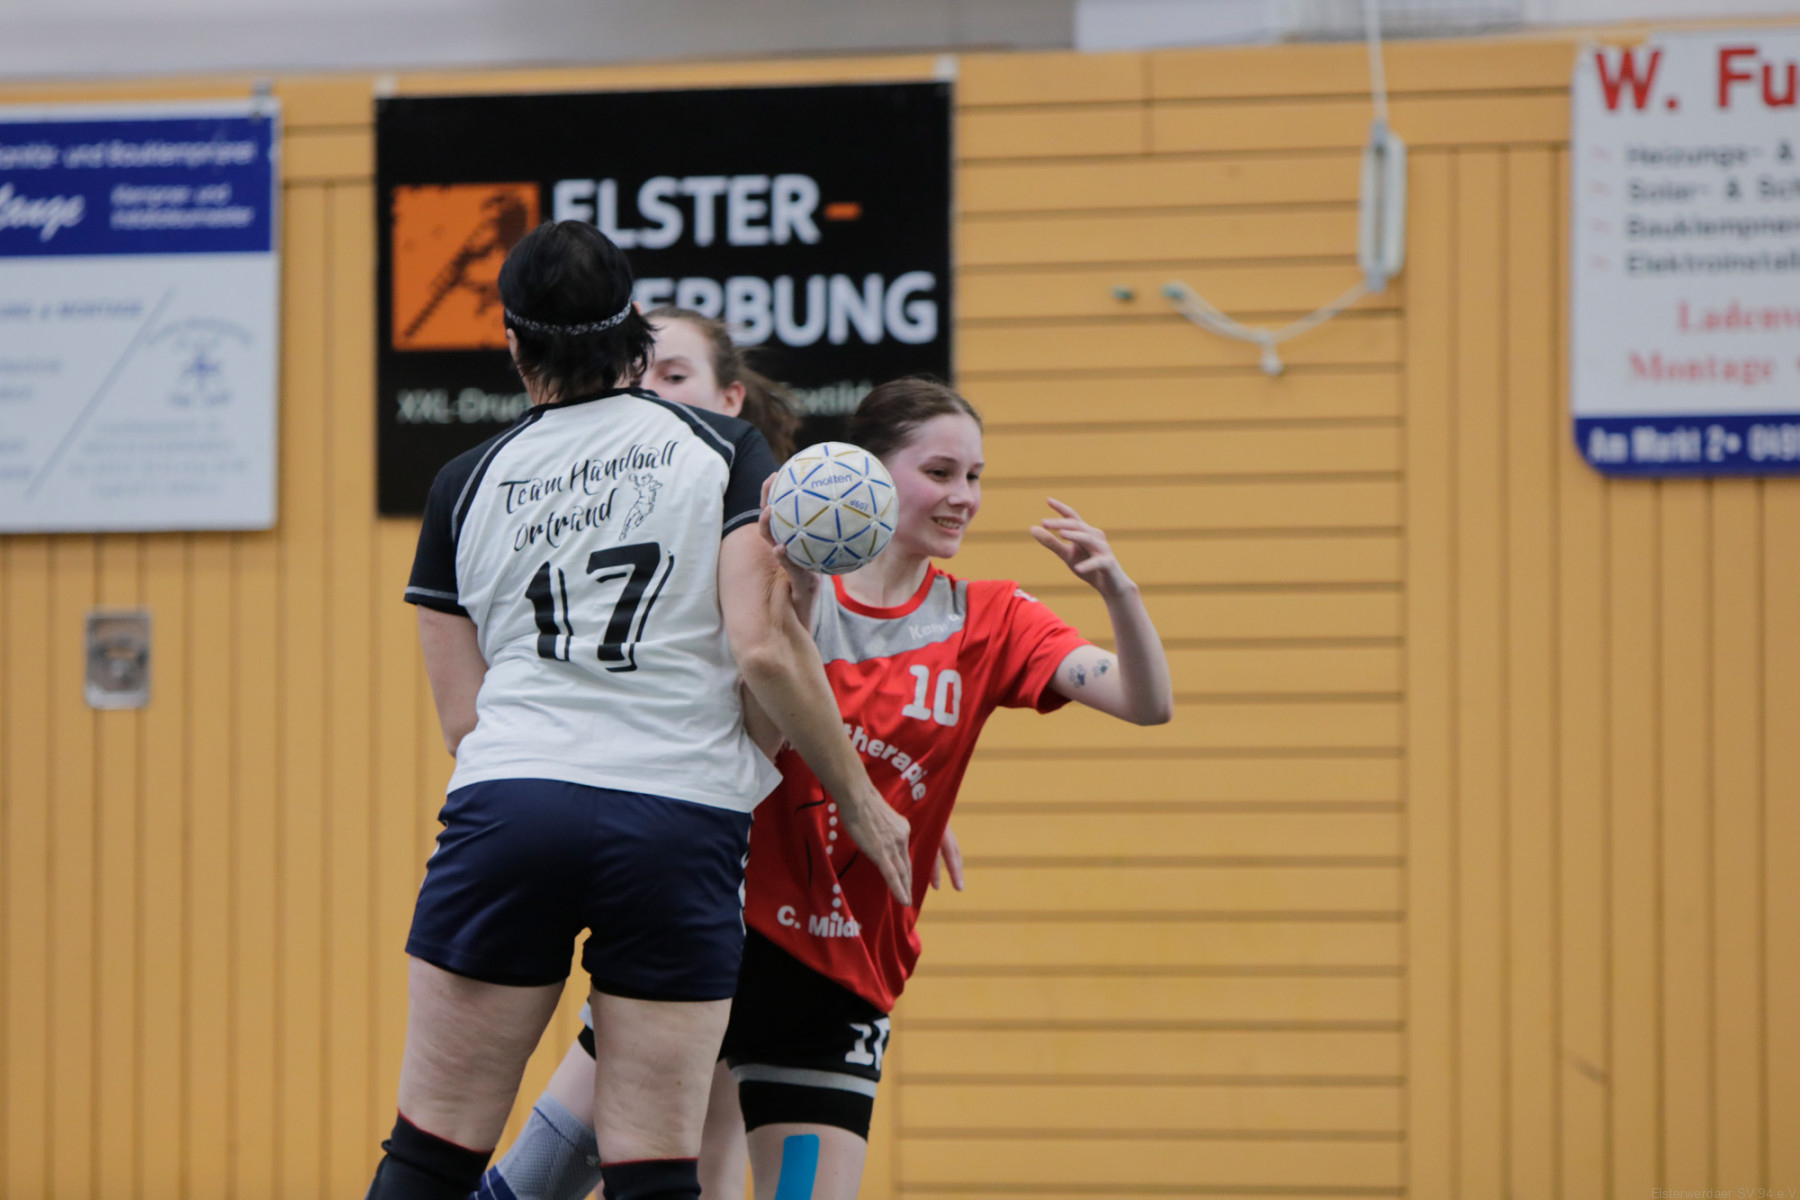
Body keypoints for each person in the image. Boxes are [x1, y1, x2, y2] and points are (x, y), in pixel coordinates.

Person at [490, 376, 1173, 1200]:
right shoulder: (774, 592)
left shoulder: (990, 618)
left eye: (975, 476)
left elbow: (1146, 703)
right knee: (539, 1184)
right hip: (717, 925)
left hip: (841, 966)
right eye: (941, 472)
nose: (964, 496)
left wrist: (1119, 591)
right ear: (867, 476)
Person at [371, 221, 911, 1200]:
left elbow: (463, 721)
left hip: (511, 811)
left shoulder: (461, 484)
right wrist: (859, 800)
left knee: (431, 1154)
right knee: (654, 1168)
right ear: (635, 334)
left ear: (513, 343)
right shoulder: (724, 448)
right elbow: (762, 649)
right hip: (676, 819)